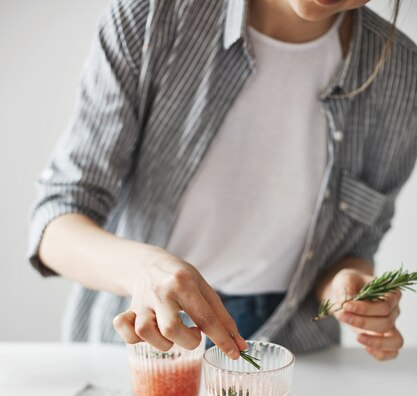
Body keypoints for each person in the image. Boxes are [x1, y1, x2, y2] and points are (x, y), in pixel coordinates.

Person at [28, 0, 417, 361]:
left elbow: (356, 246)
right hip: (141, 338)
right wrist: (144, 269)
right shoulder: (154, 16)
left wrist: (347, 288)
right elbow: (57, 222)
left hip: (293, 349)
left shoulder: (403, 76)